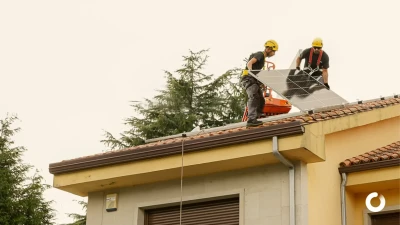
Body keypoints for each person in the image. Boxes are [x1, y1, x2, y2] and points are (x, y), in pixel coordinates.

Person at [241, 40, 278, 127]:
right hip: (248, 79)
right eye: (273, 51)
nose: (274, 54)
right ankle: (251, 119)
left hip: (253, 80)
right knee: (253, 97)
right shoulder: (260, 54)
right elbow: (250, 63)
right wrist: (251, 71)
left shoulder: (262, 59)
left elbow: (257, 72)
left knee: (261, 99)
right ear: (268, 49)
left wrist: (261, 83)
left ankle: (256, 116)